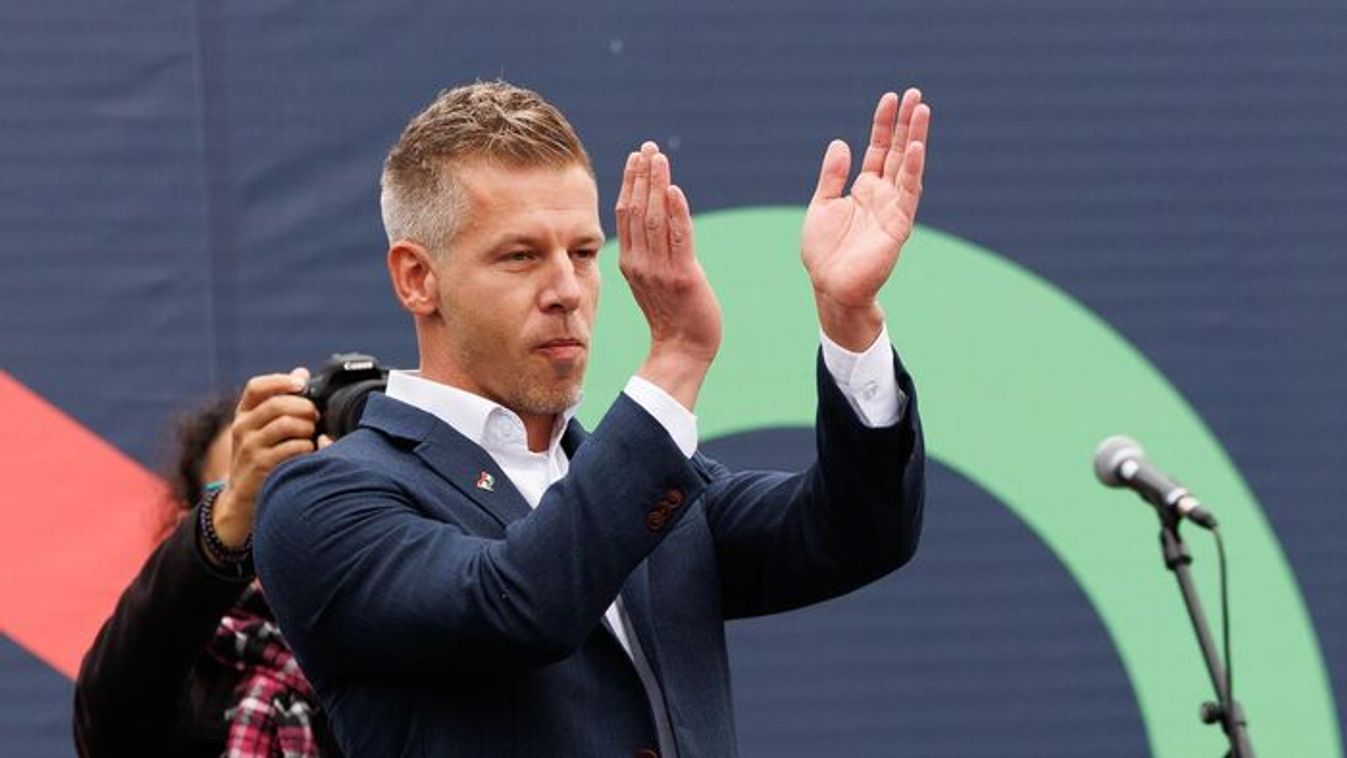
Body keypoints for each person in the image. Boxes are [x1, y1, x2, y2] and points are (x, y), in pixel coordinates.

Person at [254, 81, 930, 757]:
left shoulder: (652, 487)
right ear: (416, 278)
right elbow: (516, 606)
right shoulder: (321, 499)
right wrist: (676, 358)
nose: (566, 291)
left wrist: (849, 319)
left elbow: (857, 533)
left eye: (583, 253)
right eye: (520, 256)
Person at [73, 370, 342, 757]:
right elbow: (106, 720)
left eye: (292, 485)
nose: (271, 513)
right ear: (193, 521)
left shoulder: (374, 641)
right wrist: (234, 509)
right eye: (245, 490)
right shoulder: (186, 671)